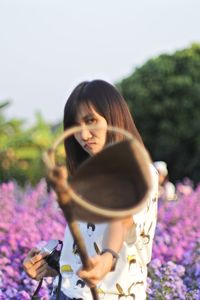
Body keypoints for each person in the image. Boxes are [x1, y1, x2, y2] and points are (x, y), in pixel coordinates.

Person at [23, 80, 158, 300]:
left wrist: (107, 257)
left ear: (114, 117)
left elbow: (121, 220)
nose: (84, 135)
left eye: (91, 120)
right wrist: (50, 267)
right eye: (76, 127)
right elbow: (84, 248)